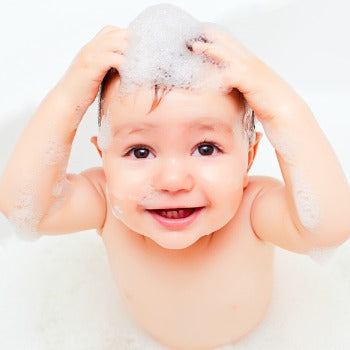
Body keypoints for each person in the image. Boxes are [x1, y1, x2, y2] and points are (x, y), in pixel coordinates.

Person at [1, 10, 350, 350]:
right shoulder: (106, 202)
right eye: (140, 151)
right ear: (103, 156)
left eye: (205, 148)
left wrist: (280, 107)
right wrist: (67, 98)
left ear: (248, 157)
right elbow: (24, 208)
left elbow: (328, 227)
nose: (172, 180)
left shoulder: (253, 210)